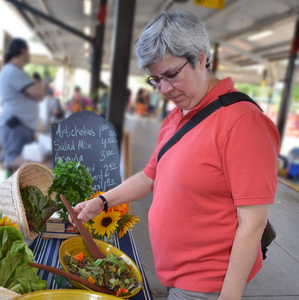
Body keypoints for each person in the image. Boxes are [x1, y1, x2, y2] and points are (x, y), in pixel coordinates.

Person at [70, 11, 280, 300]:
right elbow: (150, 176)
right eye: (155, 79)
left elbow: (253, 221)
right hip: (174, 273)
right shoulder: (179, 115)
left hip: (206, 285)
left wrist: (229, 296)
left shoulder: (242, 122)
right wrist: (102, 201)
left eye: (171, 75)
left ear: (201, 58)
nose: (164, 89)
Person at [0, 38, 44, 170]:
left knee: (21, 167)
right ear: (23, 51)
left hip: (19, 126)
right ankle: (9, 191)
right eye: (28, 51)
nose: (29, 55)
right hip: (16, 126)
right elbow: (38, 92)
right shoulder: (13, 70)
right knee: (17, 165)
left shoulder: (12, 70)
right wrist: (32, 93)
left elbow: (39, 95)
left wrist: (32, 94)